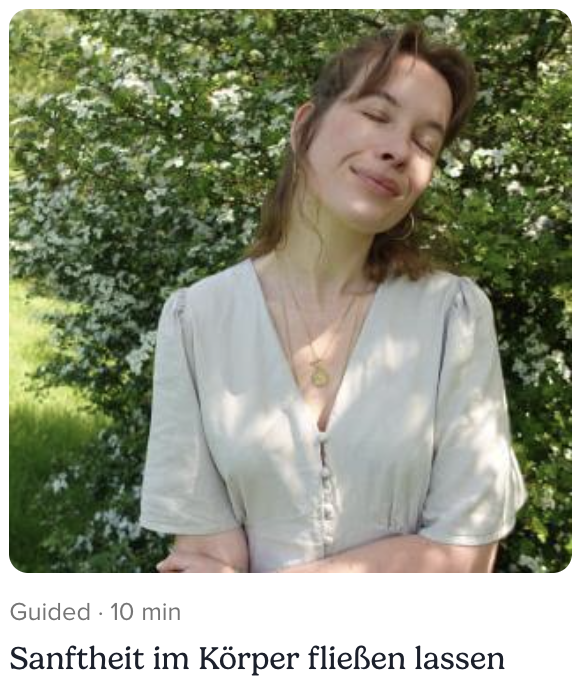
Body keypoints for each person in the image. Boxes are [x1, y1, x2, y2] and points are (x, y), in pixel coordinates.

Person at [139, 23, 527, 573]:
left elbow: (464, 553)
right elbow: (205, 556)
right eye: (377, 114)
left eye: (425, 142)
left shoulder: (452, 318)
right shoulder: (197, 319)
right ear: (305, 126)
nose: (398, 150)